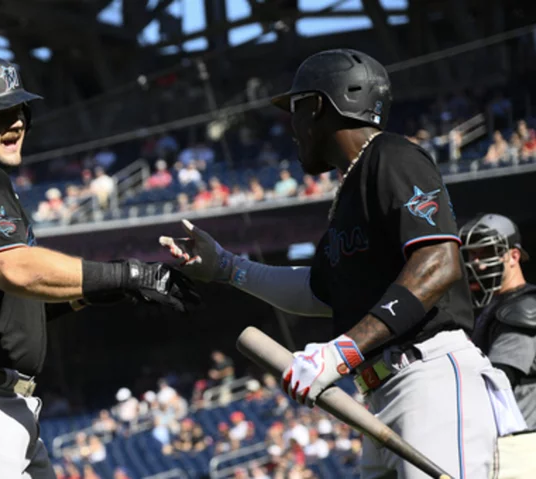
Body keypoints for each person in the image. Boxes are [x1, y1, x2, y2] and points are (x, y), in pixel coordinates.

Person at [159, 49, 526, 478]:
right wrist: (226, 267)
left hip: (431, 380)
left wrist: (340, 352)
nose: (291, 127)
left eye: (295, 109)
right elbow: (318, 291)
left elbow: (439, 261)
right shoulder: (349, 194)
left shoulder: (391, 155)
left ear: (317, 106)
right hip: (381, 395)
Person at [0, 56, 198, 479]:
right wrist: (129, 273)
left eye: (20, 110)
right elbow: (17, 270)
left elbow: (11, 304)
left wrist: (101, 289)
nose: (15, 123)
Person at [460, 213, 536, 428]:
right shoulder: (493, 308)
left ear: (513, 256)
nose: (477, 263)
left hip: (525, 441)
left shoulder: (524, 308)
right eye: (471, 255)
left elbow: (497, 382)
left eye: (486, 253)